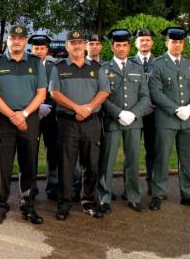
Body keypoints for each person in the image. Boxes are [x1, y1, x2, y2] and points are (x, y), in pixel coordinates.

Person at [0, 25, 46, 225]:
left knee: (28, 163)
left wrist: (24, 114)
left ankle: (28, 206)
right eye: (13, 38)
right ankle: (0, 206)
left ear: (26, 41)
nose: (17, 41)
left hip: (29, 119)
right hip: (4, 119)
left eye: (21, 38)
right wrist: (13, 115)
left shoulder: (36, 63)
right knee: (3, 164)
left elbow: (41, 93)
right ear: (7, 41)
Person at [49, 31, 110, 221]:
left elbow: (104, 90)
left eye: (79, 42)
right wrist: (76, 107)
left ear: (85, 45)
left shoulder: (96, 67)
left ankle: (88, 201)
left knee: (91, 163)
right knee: (66, 164)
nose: (76, 46)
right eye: (72, 43)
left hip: (91, 121)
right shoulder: (58, 68)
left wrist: (89, 108)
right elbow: (54, 93)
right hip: (68, 122)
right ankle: (64, 203)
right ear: (67, 46)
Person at [148, 27, 190, 211]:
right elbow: (155, 92)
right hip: (166, 119)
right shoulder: (157, 64)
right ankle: (158, 193)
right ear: (167, 43)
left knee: (187, 159)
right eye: (173, 42)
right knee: (162, 158)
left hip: (188, 119)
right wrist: (175, 109)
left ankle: (188, 194)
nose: (177, 45)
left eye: (180, 42)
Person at [98, 29, 151, 213]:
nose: (121, 48)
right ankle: (104, 197)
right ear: (112, 47)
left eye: (124, 45)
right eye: (117, 45)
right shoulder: (104, 69)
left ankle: (133, 196)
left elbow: (145, 97)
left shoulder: (137, 68)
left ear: (129, 47)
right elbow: (101, 97)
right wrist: (119, 113)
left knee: (133, 160)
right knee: (108, 160)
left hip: (134, 123)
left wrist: (133, 114)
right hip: (113, 121)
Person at [28, 34, 59, 200]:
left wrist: (50, 107)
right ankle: (31, 186)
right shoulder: (26, 64)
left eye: (42, 48)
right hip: (32, 114)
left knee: (52, 150)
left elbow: (58, 90)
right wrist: (37, 106)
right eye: (36, 48)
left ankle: (53, 185)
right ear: (31, 49)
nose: (39, 51)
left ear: (47, 50)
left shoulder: (54, 66)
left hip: (51, 115)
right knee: (31, 150)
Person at [131, 28, 159, 198]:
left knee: (153, 151)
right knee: (132, 151)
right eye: (141, 40)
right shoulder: (129, 62)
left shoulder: (160, 63)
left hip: (154, 114)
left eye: (148, 40)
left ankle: (153, 186)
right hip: (134, 114)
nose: (145, 43)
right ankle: (131, 187)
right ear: (136, 43)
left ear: (152, 43)